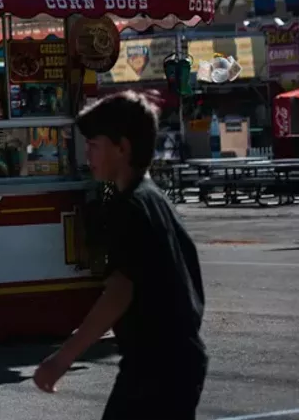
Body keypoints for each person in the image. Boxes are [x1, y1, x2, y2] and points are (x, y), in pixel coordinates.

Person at [34, 91, 206, 418]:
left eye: (94, 146)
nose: (88, 156)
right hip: (174, 360)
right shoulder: (150, 197)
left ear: (122, 148)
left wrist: (62, 358)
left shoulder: (131, 209)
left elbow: (119, 292)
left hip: (158, 367)